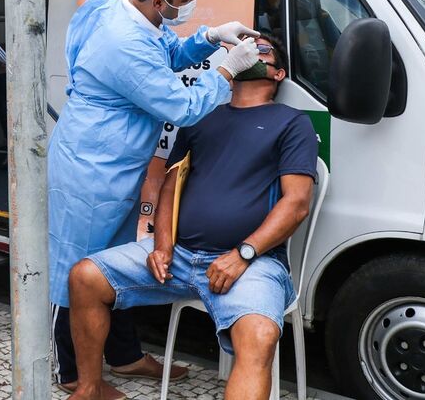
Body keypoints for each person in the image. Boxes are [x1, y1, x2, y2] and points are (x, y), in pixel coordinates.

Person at [49, 0, 261, 397]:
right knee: (79, 269)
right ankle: (73, 374)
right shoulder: (120, 41)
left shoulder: (121, 9)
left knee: (115, 265)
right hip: (92, 164)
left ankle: (124, 356)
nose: (189, 2)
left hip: (116, 157)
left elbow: (168, 52)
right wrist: (226, 70)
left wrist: (208, 38)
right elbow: (183, 106)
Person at [66, 34, 318, 400]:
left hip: (250, 263)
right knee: (84, 277)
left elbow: (296, 204)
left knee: (261, 334)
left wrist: (242, 254)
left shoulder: (292, 123)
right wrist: (162, 246)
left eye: (263, 50)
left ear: (278, 74)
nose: (251, 51)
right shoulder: (202, 116)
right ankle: (89, 388)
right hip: (180, 256)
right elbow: (172, 183)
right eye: (244, 48)